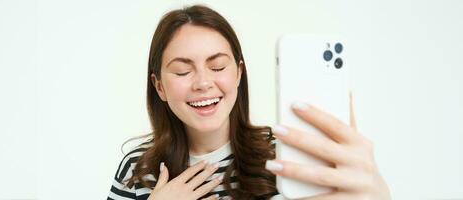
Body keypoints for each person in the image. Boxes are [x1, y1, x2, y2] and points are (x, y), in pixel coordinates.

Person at [107, 4, 390, 200]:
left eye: (217, 67)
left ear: (239, 73)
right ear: (160, 87)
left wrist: (378, 194)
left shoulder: (287, 159)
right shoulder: (136, 168)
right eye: (183, 71)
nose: (203, 82)